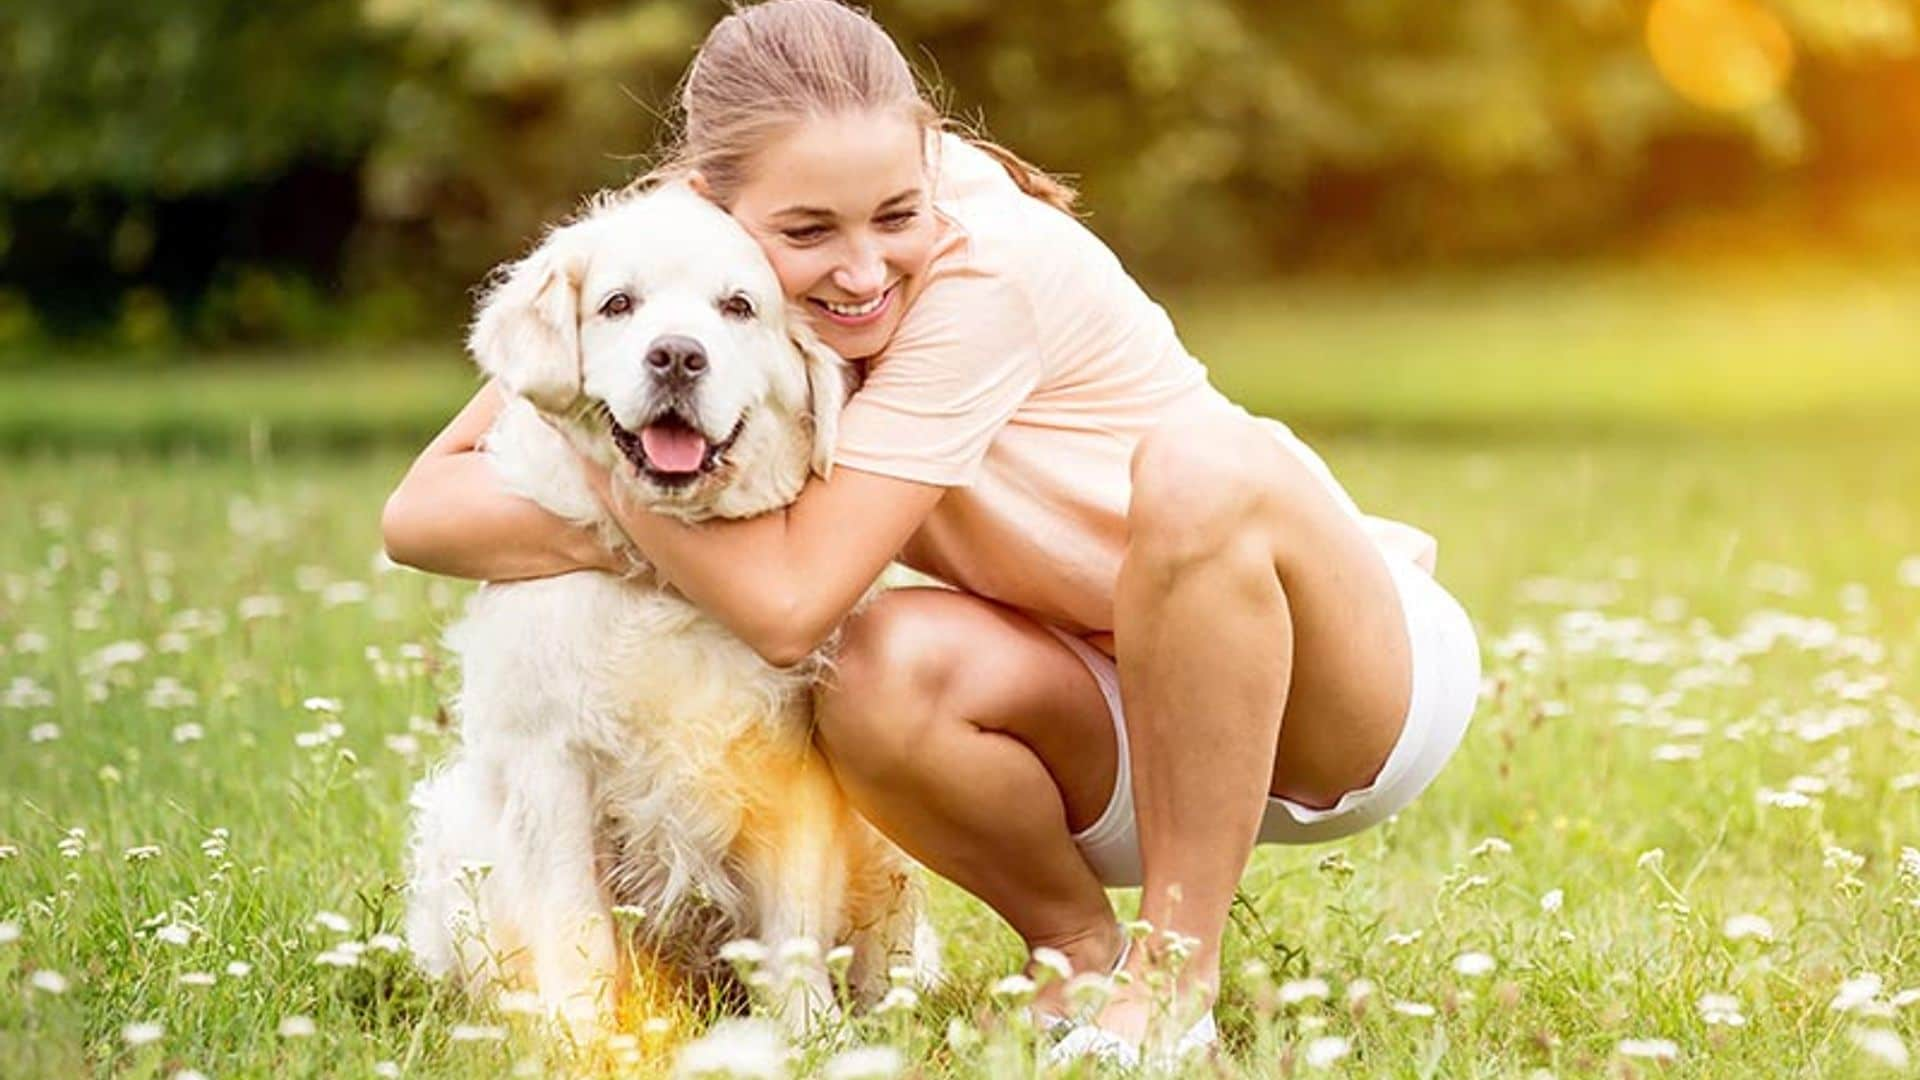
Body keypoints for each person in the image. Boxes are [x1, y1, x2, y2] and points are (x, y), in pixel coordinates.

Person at [381, 0, 1481, 1063]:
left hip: (1329, 698)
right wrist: (610, 416)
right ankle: (1078, 955)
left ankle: (1173, 991)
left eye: (895, 216)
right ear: (715, 203)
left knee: (1202, 467)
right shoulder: (683, 267)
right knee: (874, 665)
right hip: (1106, 711)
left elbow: (781, 608)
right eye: (809, 232)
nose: (863, 270)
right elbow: (424, 508)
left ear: (929, 163)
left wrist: (608, 448)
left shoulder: (986, 270)